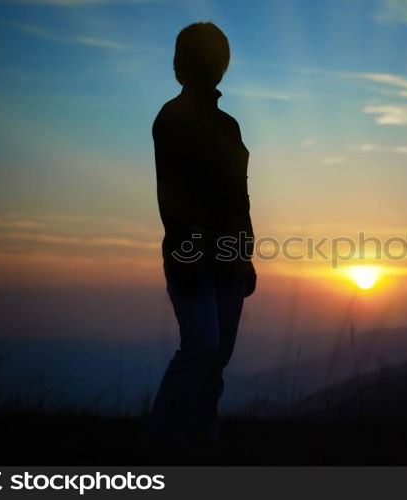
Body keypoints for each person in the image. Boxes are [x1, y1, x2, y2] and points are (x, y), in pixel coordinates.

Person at [149, 21, 256, 448]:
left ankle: (202, 435)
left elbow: (240, 197)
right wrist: (189, 255)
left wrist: (244, 255)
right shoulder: (171, 118)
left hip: (228, 257)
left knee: (217, 354)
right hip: (191, 254)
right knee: (202, 346)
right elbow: (172, 198)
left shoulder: (229, 125)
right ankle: (159, 443)